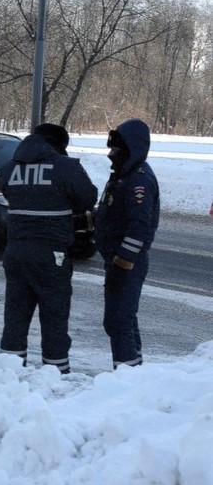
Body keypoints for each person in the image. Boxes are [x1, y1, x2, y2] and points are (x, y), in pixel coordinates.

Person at [0, 123, 97, 374]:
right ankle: (56, 375)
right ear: (58, 145)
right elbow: (88, 198)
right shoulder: (66, 167)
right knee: (54, 315)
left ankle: (11, 373)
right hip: (51, 252)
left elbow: (8, 193)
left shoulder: (10, 168)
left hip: (16, 251)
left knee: (16, 315)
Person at [93, 119, 159, 369]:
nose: (111, 154)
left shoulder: (138, 180)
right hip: (118, 260)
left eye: (116, 150)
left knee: (119, 321)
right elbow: (111, 212)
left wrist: (123, 264)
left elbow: (139, 226)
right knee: (121, 320)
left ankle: (127, 375)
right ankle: (134, 373)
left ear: (131, 148)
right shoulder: (124, 175)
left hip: (128, 262)